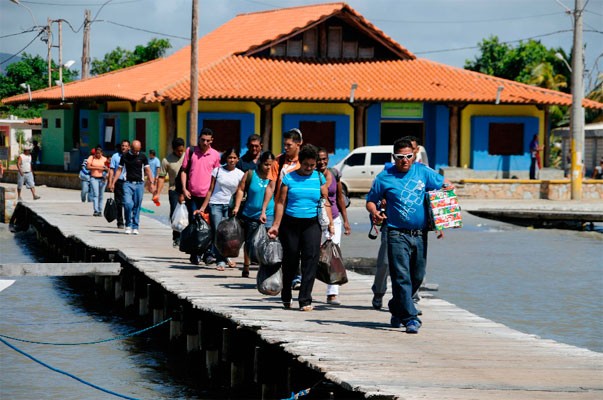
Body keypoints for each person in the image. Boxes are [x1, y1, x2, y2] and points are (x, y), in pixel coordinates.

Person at [366, 138, 452, 334]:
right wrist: (375, 212)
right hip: (396, 233)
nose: (404, 160)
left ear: (413, 155)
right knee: (401, 276)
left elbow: (445, 184)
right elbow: (371, 201)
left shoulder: (423, 172)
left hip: (420, 234)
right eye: (400, 157)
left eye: (408, 156)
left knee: (417, 276)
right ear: (393, 157)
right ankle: (410, 318)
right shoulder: (384, 177)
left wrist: (446, 200)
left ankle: (397, 308)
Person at [268, 144, 334, 311]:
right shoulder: (289, 178)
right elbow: (281, 202)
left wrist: (331, 223)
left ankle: (305, 299)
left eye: (312, 165)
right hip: (290, 224)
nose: (309, 168)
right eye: (306, 165)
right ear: (300, 162)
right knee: (290, 260)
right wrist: (276, 225)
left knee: (310, 260)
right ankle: (286, 295)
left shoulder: (319, 178)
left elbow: (325, 201)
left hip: (312, 223)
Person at [262, 128, 303, 289]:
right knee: (282, 245)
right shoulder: (278, 162)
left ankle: (297, 276)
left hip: (297, 209)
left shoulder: (303, 163)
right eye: (284, 144)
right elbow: (271, 186)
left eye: (289, 145)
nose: (285, 148)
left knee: (297, 246)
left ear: (298, 144)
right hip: (279, 210)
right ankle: (284, 275)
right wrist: (264, 209)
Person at [198, 147, 245, 270]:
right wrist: (202, 208)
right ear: (226, 158)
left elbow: (240, 192)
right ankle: (220, 261)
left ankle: (227, 257)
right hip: (215, 204)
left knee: (229, 234)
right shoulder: (217, 171)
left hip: (229, 207)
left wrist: (237, 207)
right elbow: (210, 190)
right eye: (230, 157)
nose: (232, 160)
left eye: (234, 158)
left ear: (238, 159)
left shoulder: (240, 174)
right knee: (219, 233)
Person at [316, 147, 351, 305]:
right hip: (315, 220)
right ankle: (306, 286)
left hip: (335, 219)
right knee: (312, 254)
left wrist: (346, 220)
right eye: (319, 159)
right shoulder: (310, 176)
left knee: (334, 254)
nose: (321, 162)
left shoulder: (334, 174)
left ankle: (332, 292)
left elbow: (339, 198)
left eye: (324, 159)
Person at [180, 127, 221, 264]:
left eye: (207, 141)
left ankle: (208, 253)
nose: (204, 143)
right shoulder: (190, 151)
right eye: (202, 140)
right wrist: (185, 189)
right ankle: (194, 253)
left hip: (208, 197)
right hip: (192, 195)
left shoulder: (215, 155)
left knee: (208, 226)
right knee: (194, 224)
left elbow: (217, 176)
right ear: (199, 138)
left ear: (212, 141)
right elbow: (184, 171)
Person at [232, 151, 276, 277]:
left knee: (266, 242)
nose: (268, 168)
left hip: (268, 214)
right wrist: (236, 206)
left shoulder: (274, 177)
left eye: (271, 165)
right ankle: (246, 265)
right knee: (250, 241)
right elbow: (240, 189)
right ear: (261, 163)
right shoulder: (251, 174)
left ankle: (263, 267)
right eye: (266, 165)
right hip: (250, 214)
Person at [108, 140, 155, 235]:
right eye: (134, 150)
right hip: (127, 184)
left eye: (138, 150)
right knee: (127, 204)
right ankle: (128, 224)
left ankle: (135, 226)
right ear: (131, 148)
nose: (136, 152)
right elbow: (119, 170)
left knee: (137, 206)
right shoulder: (125, 156)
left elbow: (148, 170)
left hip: (139, 184)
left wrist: (152, 183)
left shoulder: (142, 156)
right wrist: (113, 182)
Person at [156, 137, 186, 247]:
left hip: (187, 190)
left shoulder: (187, 157)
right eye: (178, 150)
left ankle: (186, 237)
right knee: (175, 214)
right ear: (173, 149)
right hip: (174, 191)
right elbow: (161, 177)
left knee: (187, 214)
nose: (180, 152)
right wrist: (157, 193)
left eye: (181, 150)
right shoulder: (166, 160)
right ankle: (176, 238)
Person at [108, 140, 130, 229]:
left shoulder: (132, 156)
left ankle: (128, 220)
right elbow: (111, 170)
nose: (123, 147)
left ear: (129, 147)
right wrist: (110, 183)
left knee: (128, 203)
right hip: (119, 182)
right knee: (119, 203)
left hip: (129, 182)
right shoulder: (115, 156)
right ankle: (120, 221)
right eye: (122, 145)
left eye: (125, 146)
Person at [87, 145, 109, 216]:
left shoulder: (105, 159)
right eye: (96, 153)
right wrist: (98, 168)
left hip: (102, 179)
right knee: (96, 194)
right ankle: (96, 210)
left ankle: (100, 210)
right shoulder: (91, 158)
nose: (98, 155)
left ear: (102, 153)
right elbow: (88, 167)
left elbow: (109, 168)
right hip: (94, 178)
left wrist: (105, 169)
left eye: (99, 153)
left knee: (101, 195)